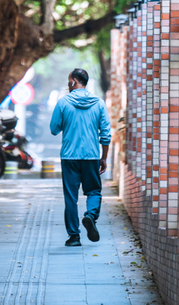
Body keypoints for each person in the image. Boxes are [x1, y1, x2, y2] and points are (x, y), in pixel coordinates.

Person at [49, 67, 111, 247]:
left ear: (73, 81)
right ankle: (90, 216)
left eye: (69, 80)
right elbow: (105, 134)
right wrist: (103, 157)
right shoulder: (99, 103)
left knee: (71, 197)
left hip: (69, 157)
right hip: (91, 156)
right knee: (94, 191)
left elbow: (54, 129)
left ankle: (74, 236)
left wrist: (68, 121)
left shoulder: (63, 103)